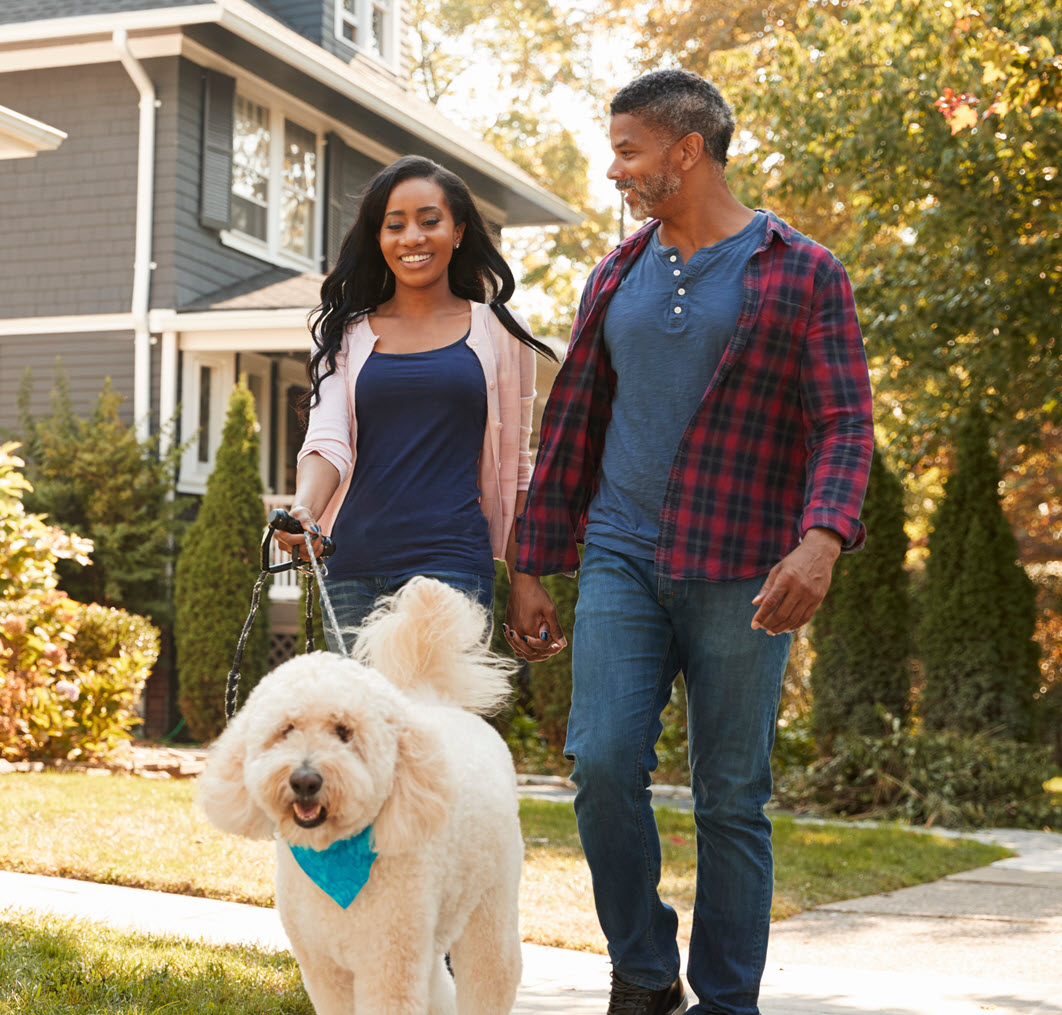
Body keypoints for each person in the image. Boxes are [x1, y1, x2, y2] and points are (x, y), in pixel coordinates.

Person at [504, 70, 874, 1015]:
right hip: (622, 555)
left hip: (746, 567)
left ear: (686, 150)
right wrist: (534, 561)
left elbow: (842, 422)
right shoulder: (616, 272)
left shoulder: (802, 269)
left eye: (628, 148)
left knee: (731, 795)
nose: (614, 167)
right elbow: (576, 422)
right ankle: (641, 966)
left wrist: (822, 539)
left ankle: (726, 999)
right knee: (600, 762)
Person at [279, 155, 556, 652]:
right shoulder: (346, 334)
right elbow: (326, 438)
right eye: (395, 225)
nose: (412, 237)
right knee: (363, 727)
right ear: (378, 239)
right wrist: (306, 509)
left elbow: (517, 468)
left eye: (430, 221)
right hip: (353, 569)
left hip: (453, 569)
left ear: (457, 231)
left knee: (439, 725)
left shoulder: (501, 333)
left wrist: (526, 578)